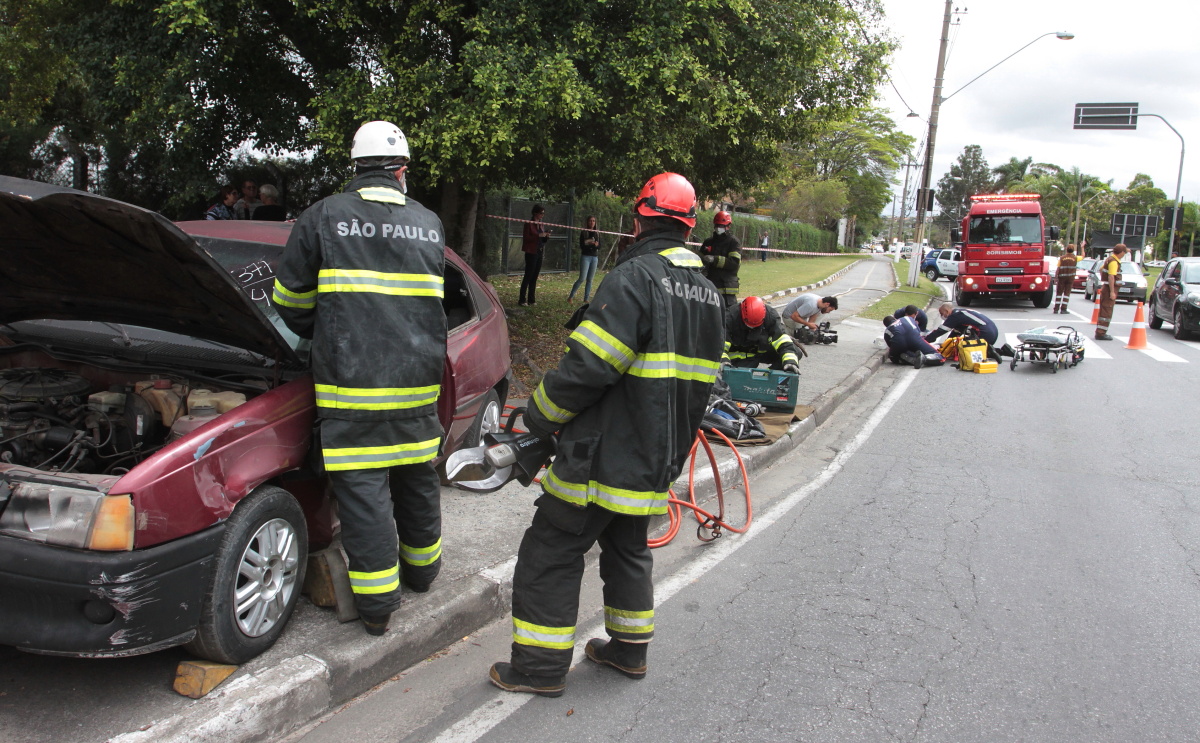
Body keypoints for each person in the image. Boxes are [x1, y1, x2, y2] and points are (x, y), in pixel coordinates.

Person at [489, 172, 724, 697]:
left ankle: (538, 668)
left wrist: (539, 417)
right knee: (627, 544)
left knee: (550, 550)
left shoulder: (634, 277)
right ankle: (628, 650)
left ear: (640, 217)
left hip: (602, 454)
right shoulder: (709, 295)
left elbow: (589, 367)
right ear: (689, 225)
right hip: (660, 454)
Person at [271, 121, 446, 636]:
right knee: (416, 476)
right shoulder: (429, 224)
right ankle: (424, 572)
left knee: (365, 489)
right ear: (401, 171)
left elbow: (289, 304)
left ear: (356, 167)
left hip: (353, 385)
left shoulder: (324, 216)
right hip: (417, 384)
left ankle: (376, 610)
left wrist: (324, 329)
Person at [723, 296, 801, 372]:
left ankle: (770, 379)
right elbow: (719, 344)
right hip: (741, 355)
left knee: (795, 353)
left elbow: (782, 339)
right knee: (741, 379)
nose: (752, 328)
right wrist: (723, 360)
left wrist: (790, 362)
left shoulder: (770, 315)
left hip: (762, 350)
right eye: (749, 325)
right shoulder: (729, 317)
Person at [698, 211, 740, 307]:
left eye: (721, 226)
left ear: (728, 226)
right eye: (717, 225)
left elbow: (734, 264)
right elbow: (699, 261)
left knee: (728, 317)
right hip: (709, 287)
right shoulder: (709, 242)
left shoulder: (733, 242)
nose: (718, 228)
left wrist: (714, 259)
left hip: (726, 290)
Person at [925, 303, 999, 347]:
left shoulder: (954, 316)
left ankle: (991, 352)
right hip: (993, 332)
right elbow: (955, 333)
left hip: (985, 333)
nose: (941, 316)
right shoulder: (961, 313)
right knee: (981, 348)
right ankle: (1001, 351)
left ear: (947, 311)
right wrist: (946, 345)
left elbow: (940, 331)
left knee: (965, 349)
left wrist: (925, 341)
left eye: (942, 313)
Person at [1095, 244, 1127, 340]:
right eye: (1124, 252)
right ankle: (1101, 333)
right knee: (1106, 311)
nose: (1124, 254)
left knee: (1104, 310)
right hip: (1109, 289)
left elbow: (1101, 270)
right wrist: (1112, 292)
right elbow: (1111, 276)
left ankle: (1100, 332)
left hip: (1106, 287)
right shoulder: (1114, 262)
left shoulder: (1109, 259)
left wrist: (1104, 280)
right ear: (1121, 252)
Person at [518, 205, 550, 306]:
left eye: (543, 213)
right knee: (528, 275)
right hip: (531, 252)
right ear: (535, 213)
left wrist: (546, 236)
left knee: (535, 276)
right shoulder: (529, 224)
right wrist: (538, 236)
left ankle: (531, 299)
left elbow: (542, 240)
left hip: (539, 251)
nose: (542, 215)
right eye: (541, 213)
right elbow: (527, 238)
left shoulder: (541, 224)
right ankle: (522, 299)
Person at [567, 215, 600, 303]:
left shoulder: (597, 233)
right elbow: (582, 245)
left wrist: (596, 245)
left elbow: (600, 245)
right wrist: (590, 245)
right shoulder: (584, 232)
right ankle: (571, 296)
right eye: (590, 221)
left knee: (590, 279)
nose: (592, 222)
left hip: (594, 257)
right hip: (586, 256)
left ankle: (586, 299)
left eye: (593, 221)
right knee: (582, 278)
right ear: (587, 222)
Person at [1054, 244, 1079, 314]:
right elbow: (1083, 256)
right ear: (1073, 250)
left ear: (1066, 249)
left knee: (1059, 293)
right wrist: (1082, 247)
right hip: (1070, 278)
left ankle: (1056, 309)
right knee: (1066, 293)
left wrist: (1056, 278)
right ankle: (1063, 309)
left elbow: (1058, 269)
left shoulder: (1062, 258)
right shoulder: (1075, 258)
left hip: (1061, 278)